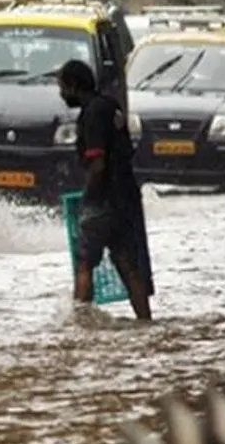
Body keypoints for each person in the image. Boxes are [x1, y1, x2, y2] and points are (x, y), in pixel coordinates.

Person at [57, 59, 153, 321]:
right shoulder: (110, 106)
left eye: (63, 87)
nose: (61, 94)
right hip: (125, 199)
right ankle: (146, 322)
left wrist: (89, 201)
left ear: (75, 86)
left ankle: (79, 326)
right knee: (127, 264)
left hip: (104, 201)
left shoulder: (92, 115)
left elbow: (97, 164)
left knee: (85, 263)